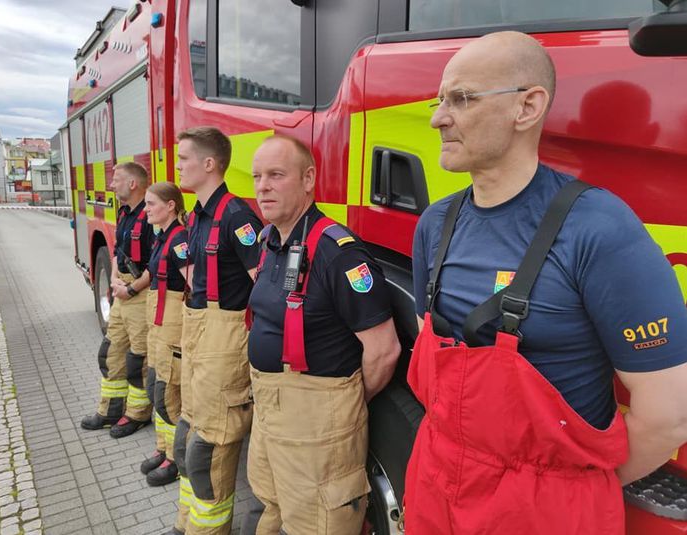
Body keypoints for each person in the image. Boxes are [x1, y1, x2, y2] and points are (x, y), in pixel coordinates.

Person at [407, 31, 687, 534]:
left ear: (527, 107)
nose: (437, 117)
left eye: (461, 98)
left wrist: (566, 485)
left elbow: (668, 415)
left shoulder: (599, 230)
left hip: (543, 510)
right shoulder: (436, 224)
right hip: (435, 485)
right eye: (439, 100)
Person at [247, 134, 401, 534]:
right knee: (272, 508)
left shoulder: (339, 252)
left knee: (319, 524)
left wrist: (341, 404)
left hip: (318, 423)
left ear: (309, 179)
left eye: (276, 175)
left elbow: (383, 351)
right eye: (257, 176)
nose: (262, 186)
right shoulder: (269, 242)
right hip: (269, 411)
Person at [167, 127, 263, 535]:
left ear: (209, 164)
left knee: (211, 446)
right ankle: (189, 524)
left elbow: (264, 282)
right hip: (198, 334)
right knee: (187, 435)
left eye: (184, 159)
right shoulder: (198, 215)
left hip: (224, 342)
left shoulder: (237, 216)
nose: (177, 166)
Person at [80, 161, 156, 439]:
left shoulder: (150, 217)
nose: (111, 185)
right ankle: (110, 410)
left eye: (117, 180)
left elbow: (156, 265)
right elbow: (117, 252)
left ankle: (137, 414)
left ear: (133, 184)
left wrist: (132, 288)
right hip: (122, 291)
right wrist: (114, 279)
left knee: (138, 358)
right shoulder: (124, 213)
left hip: (138, 294)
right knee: (111, 352)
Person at [139, 182, 189, 487]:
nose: (146, 210)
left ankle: (175, 459)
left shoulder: (179, 239)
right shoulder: (162, 237)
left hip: (172, 329)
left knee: (168, 394)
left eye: (151, 204)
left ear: (171, 206)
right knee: (154, 387)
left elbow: (194, 284)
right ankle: (163, 447)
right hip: (157, 327)